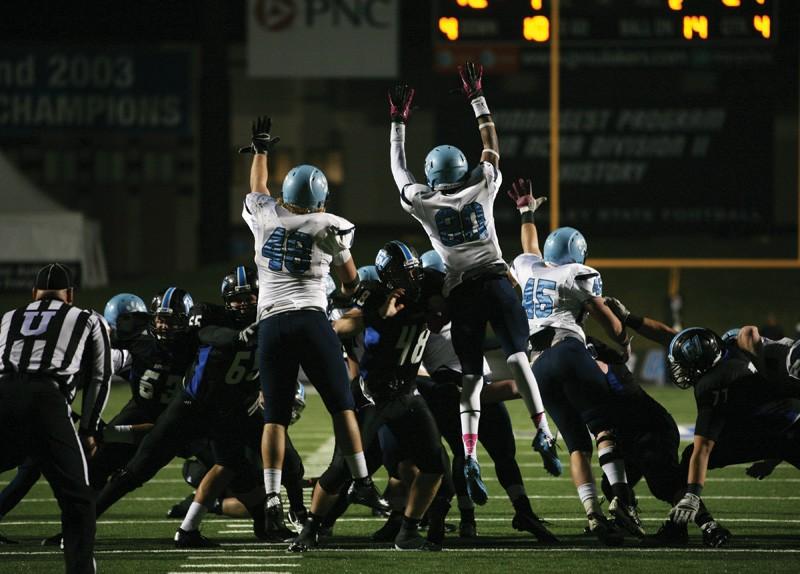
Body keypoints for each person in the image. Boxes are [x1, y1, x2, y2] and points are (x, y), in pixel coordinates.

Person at [387, 65, 559, 507]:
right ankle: (543, 430)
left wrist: (398, 124)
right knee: (519, 357)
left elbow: (399, 171)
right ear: (461, 168)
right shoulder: (482, 185)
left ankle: (467, 455)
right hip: (497, 282)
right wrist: (478, 99)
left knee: (469, 377)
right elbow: (491, 148)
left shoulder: (425, 204)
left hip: (462, 291)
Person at [239, 116, 383, 533]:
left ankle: (270, 495)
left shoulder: (266, 215)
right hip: (310, 319)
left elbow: (257, 188)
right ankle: (361, 482)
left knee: (275, 417)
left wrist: (261, 150)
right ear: (321, 198)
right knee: (343, 406)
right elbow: (351, 282)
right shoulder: (330, 225)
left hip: (271, 324)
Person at [506, 179, 642, 543]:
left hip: (538, 367)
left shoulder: (530, 269)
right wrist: (624, 339)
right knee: (605, 429)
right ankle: (621, 502)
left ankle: (593, 515)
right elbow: (606, 318)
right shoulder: (576, 274)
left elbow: (529, 248)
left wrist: (526, 212)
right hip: (568, 350)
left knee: (576, 445)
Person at [291, 241, 448, 551]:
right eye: (404, 274)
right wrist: (376, 313)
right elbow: (340, 325)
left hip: (406, 393)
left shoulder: (431, 284)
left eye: (413, 271)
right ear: (388, 279)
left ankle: (408, 530)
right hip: (370, 396)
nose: (412, 279)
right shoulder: (375, 295)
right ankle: (309, 529)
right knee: (341, 470)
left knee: (434, 466)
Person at [415, 249, 556, 542]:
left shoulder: (460, 305)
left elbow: (480, 333)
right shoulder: (423, 321)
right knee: (463, 455)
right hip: (453, 391)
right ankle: (457, 517)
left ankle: (521, 511)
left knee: (502, 452)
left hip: (475, 386)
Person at [0, 263, 112, 574]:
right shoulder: (87, 318)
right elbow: (101, 378)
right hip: (47, 399)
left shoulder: (10, 317)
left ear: (34, 294)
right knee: (78, 497)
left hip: (4, 392)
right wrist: (89, 428)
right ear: (70, 295)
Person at [666, 327, 800, 531]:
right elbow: (748, 332)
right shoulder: (737, 353)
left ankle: (696, 525)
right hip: (787, 431)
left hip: (762, 437)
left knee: (688, 459)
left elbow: (703, 448)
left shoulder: (711, 384)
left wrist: (693, 494)